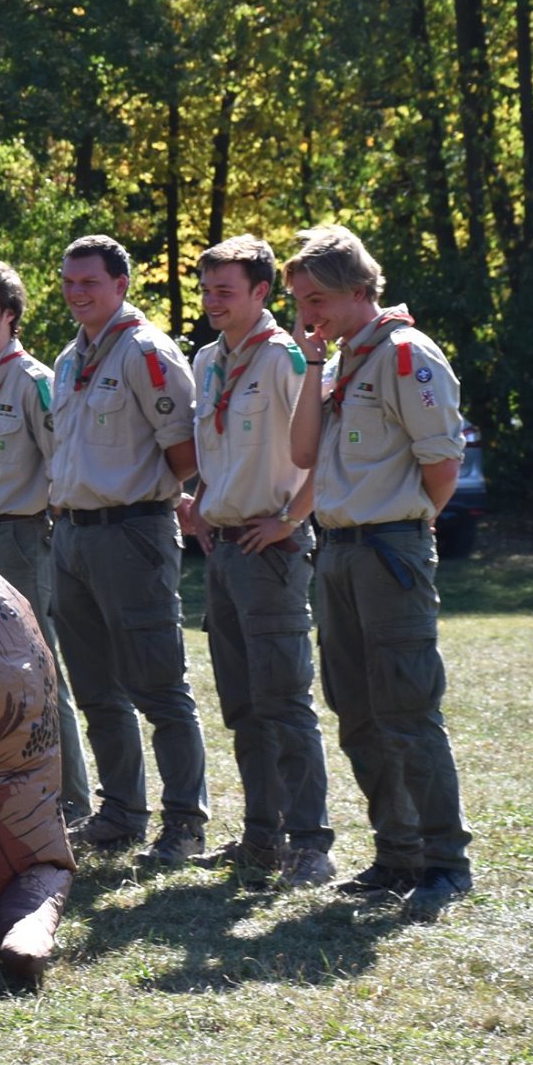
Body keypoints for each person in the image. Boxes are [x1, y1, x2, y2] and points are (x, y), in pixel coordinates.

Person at [286, 224, 471, 922]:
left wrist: (403, 528)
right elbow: (303, 453)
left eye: (319, 299)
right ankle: (396, 853)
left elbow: (442, 468)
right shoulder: (336, 361)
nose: (309, 313)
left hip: (388, 549)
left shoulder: (404, 354)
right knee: (356, 709)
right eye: (302, 300)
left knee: (407, 707)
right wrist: (308, 364)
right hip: (335, 549)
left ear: (360, 290)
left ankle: (445, 861)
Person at [47, 234, 209, 866]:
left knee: (159, 685)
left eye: (89, 282)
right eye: (69, 282)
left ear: (121, 285)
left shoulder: (146, 351)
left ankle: (185, 823)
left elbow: (184, 453)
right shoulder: (68, 359)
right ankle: (119, 813)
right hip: (73, 535)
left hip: (131, 530)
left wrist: (160, 503)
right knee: (95, 689)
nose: (77, 293)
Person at [178, 236, 333, 889]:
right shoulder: (208, 358)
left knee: (284, 701)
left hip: (271, 548)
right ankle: (261, 837)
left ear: (262, 293)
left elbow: (322, 447)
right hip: (223, 544)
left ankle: (311, 843)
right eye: (207, 290)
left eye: (225, 291)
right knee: (243, 706)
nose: (213, 301)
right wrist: (200, 506)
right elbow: (215, 452)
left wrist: (292, 519)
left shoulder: (284, 358)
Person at [0, 258, 93, 827]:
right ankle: (6, 791)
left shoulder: (33, 380)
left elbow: (61, 466)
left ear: (9, 314)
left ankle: (72, 801)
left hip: (21, 537)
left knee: (38, 672)